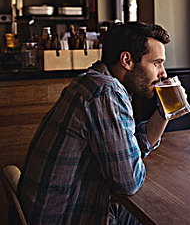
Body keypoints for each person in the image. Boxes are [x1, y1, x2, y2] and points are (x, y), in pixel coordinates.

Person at [18, 22, 172, 224]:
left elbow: (129, 154)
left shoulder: (92, 81)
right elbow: (128, 182)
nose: (163, 74)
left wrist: (164, 113)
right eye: (156, 63)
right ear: (127, 60)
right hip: (64, 216)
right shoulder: (105, 92)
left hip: (54, 208)